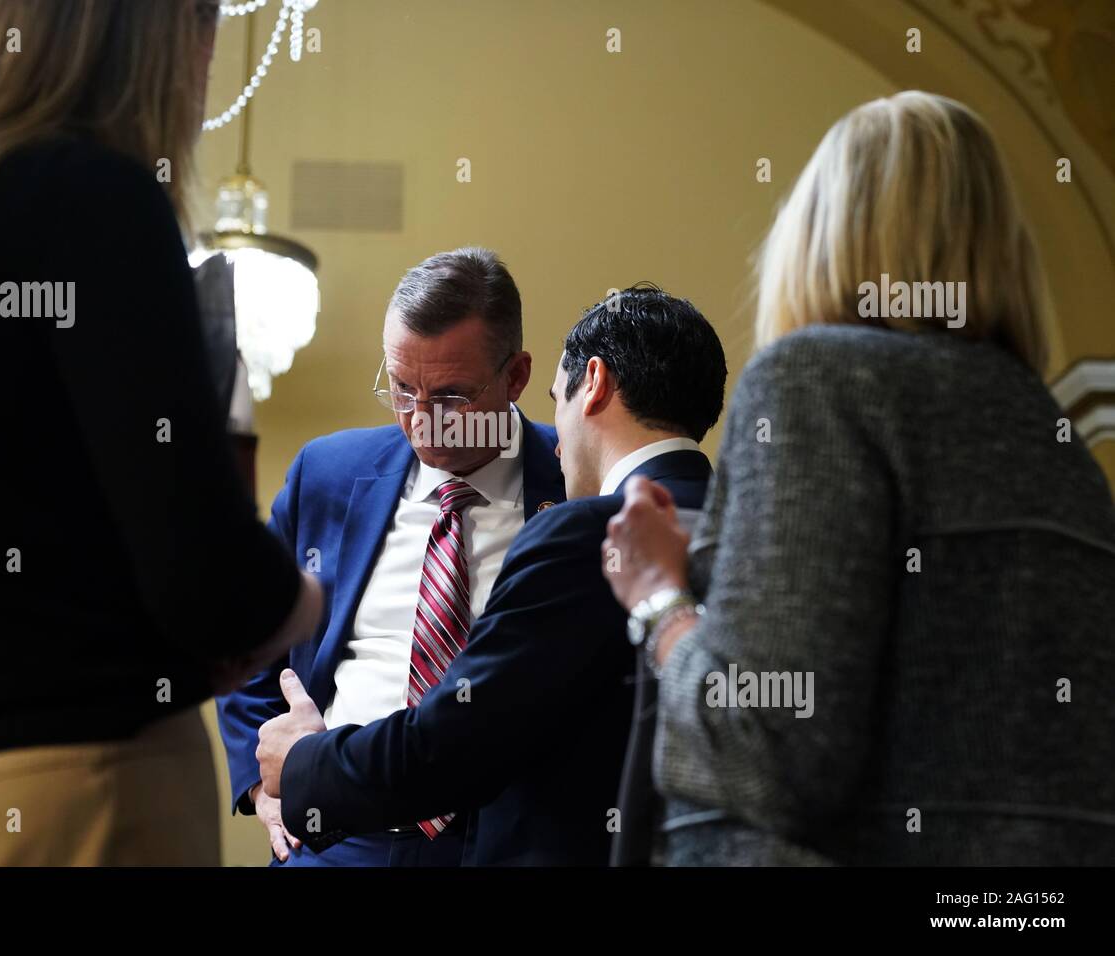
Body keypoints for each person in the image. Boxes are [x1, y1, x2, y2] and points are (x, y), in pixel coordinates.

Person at [0, 0, 320, 866]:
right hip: (76, 800)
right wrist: (301, 599)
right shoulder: (93, 199)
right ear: (148, 36)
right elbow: (208, 579)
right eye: (202, 21)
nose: (207, 61)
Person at [602, 91, 1115, 866]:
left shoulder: (819, 380)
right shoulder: (1058, 444)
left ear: (821, 229)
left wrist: (660, 598)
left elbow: (766, 749)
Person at [256, 285, 726, 866]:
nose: (423, 419)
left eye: (558, 397)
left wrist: (304, 762)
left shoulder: (583, 530)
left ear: (593, 383)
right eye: (401, 390)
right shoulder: (750, 527)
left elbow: (454, 741)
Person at [216, 247, 565, 866]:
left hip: (500, 844)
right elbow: (243, 633)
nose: (421, 423)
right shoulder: (326, 473)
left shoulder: (575, 487)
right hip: (332, 839)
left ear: (516, 377)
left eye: (452, 397)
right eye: (402, 389)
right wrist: (259, 787)